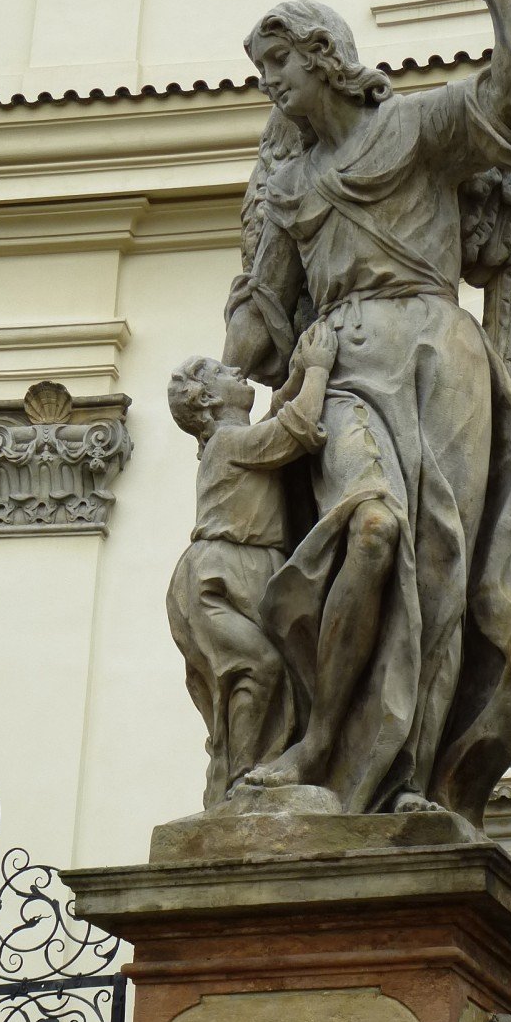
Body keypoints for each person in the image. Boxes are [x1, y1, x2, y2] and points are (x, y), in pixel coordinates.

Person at [225, 0, 511, 825]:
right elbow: (260, 331)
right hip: (339, 365)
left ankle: (416, 776)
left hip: (438, 355)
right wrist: (239, 338)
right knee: (371, 527)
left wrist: (500, 2)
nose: (270, 86)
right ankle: (320, 743)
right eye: (265, 71)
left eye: (279, 66)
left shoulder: (414, 128)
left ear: (323, 58)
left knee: (441, 562)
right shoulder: (291, 187)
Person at [166, 324, 336, 805]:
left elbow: (278, 414)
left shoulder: (238, 436)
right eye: (222, 372)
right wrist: (318, 368)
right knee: (257, 667)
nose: (238, 369)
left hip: (249, 573)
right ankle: (244, 781)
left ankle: (249, 769)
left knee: (273, 671)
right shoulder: (226, 442)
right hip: (215, 579)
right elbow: (292, 433)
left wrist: (297, 375)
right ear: (207, 403)